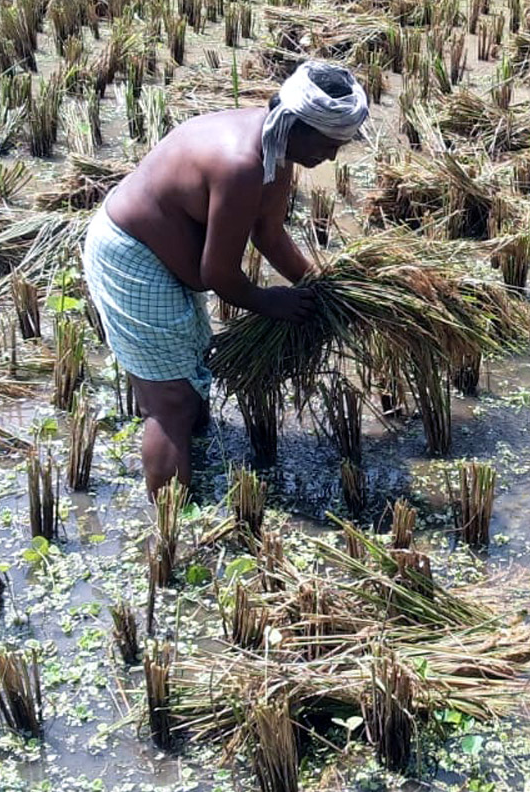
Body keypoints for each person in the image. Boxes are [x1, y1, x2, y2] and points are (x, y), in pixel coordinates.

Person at [82, 60, 370, 500]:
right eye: (329, 143)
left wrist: (321, 287)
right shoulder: (242, 165)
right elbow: (216, 274)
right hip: (133, 257)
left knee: (188, 369)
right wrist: (271, 303)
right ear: (298, 123)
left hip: (163, 258)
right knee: (170, 404)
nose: (330, 157)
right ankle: (170, 527)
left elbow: (269, 235)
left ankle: (187, 455)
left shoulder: (276, 147)